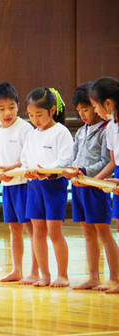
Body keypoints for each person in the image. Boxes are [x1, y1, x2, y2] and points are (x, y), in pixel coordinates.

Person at [61, 82, 118, 291]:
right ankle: (93, 276)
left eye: (87, 108)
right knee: (87, 233)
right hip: (79, 186)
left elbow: (106, 162)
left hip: (97, 187)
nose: (84, 114)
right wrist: (66, 169)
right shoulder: (82, 131)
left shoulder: (106, 129)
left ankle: (115, 277)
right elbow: (72, 157)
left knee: (104, 233)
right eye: (79, 110)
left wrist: (84, 172)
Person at [0, 82, 39, 284]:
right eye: (1, 108)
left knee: (31, 228)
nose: (7, 112)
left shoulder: (25, 128)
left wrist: (8, 170)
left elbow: (27, 159)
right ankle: (17, 270)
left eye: (11, 107)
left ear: (18, 106)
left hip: (25, 185)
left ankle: (35, 270)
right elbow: (3, 158)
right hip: (8, 187)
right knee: (14, 229)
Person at [21, 87, 73, 287]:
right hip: (34, 186)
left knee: (54, 231)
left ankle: (63, 275)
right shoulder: (32, 134)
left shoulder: (61, 132)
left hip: (54, 185)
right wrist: (28, 170)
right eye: (31, 115)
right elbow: (25, 159)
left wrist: (48, 170)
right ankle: (44, 275)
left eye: (39, 114)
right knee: (38, 231)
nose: (35, 119)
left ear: (52, 110)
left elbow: (65, 159)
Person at [88, 77, 119, 294]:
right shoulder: (111, 127)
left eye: (96, 106)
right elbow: (113, 161)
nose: (95, 111)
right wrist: (95, 180)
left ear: (108, 103)